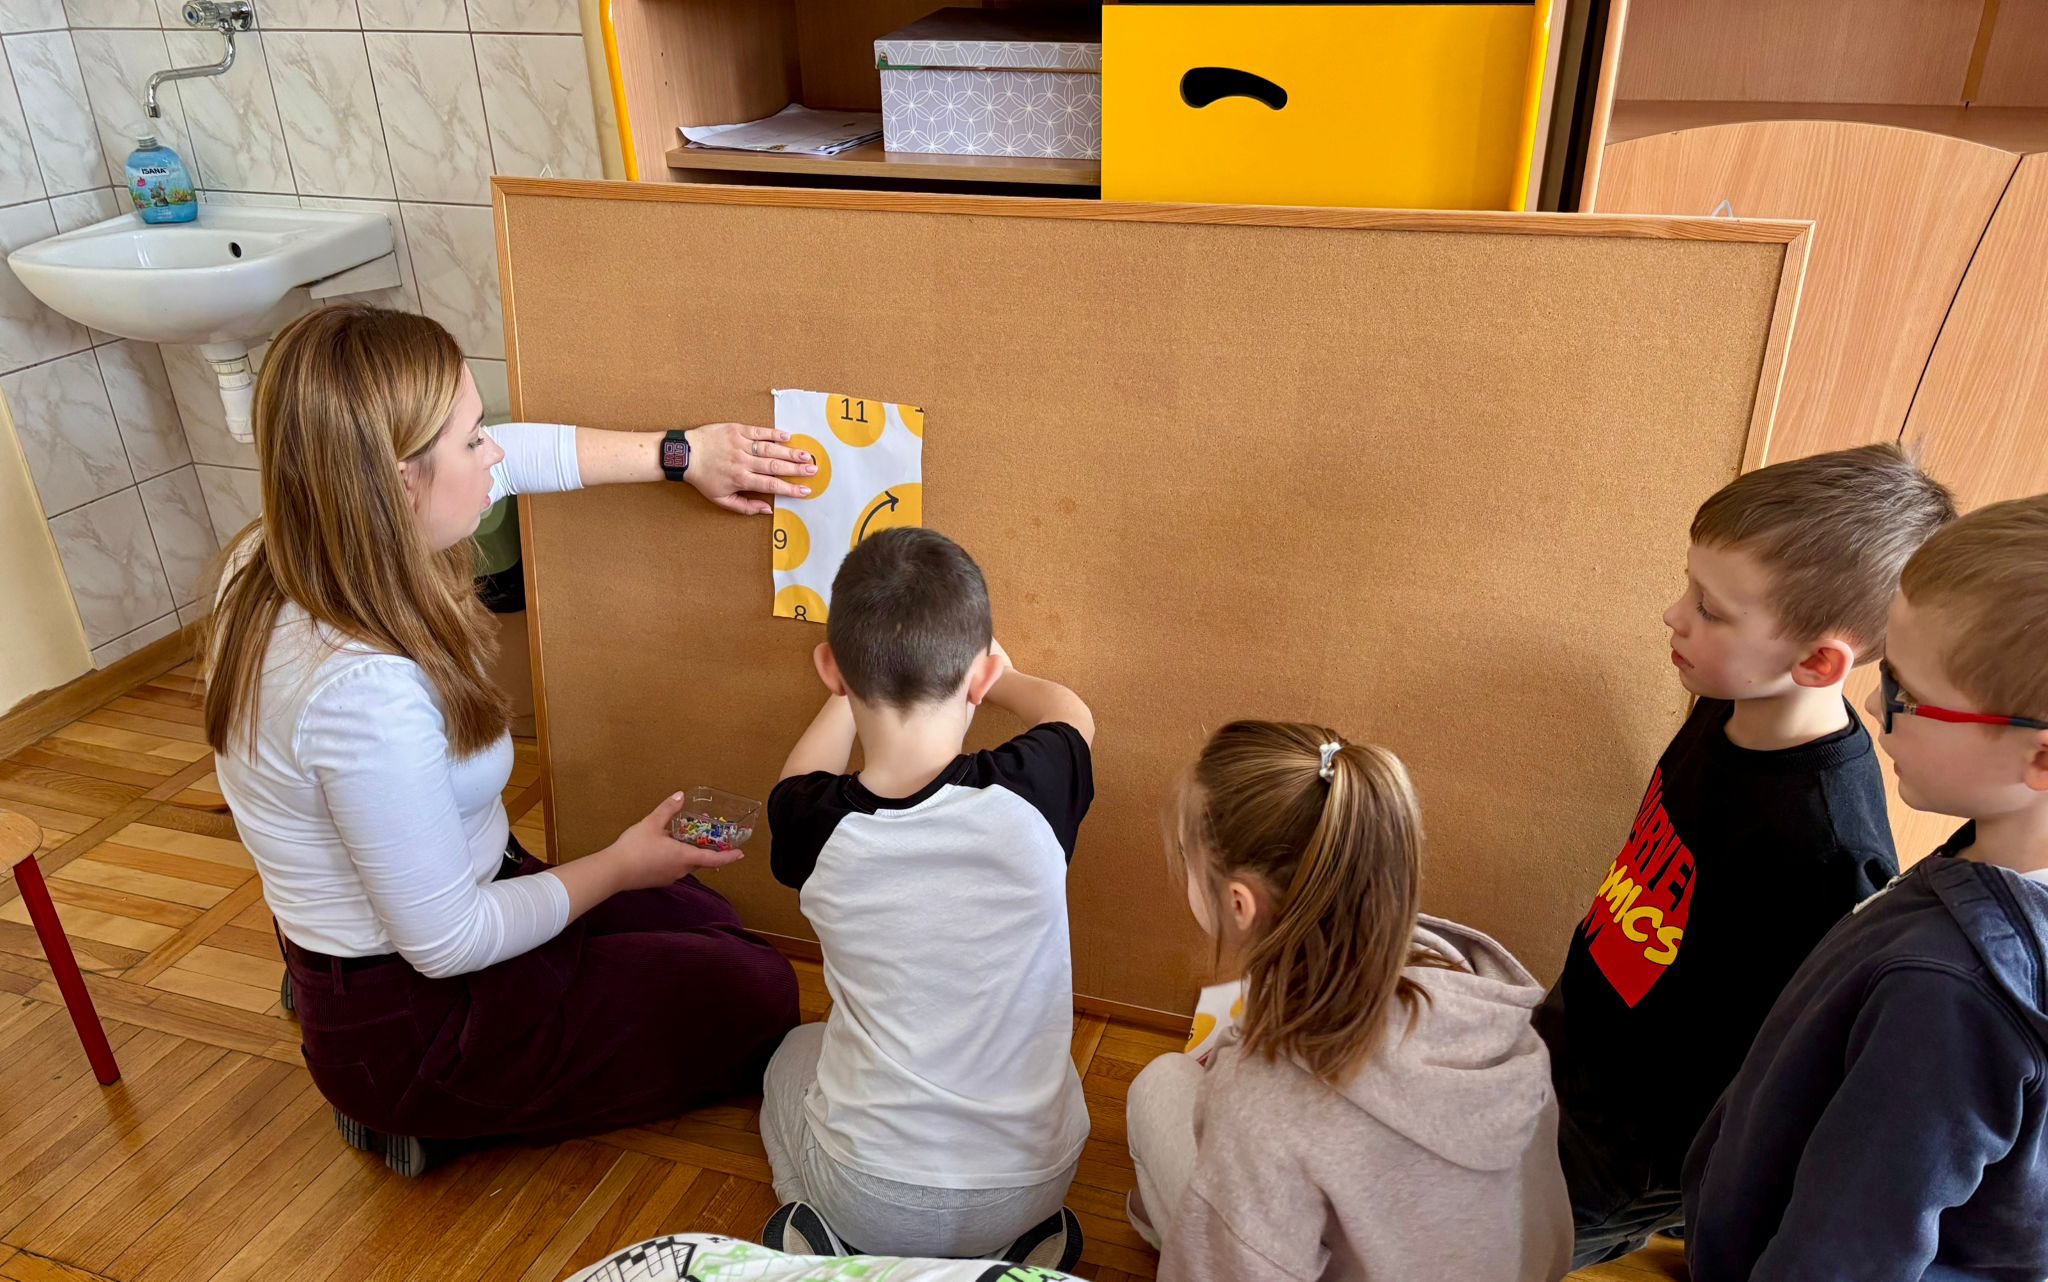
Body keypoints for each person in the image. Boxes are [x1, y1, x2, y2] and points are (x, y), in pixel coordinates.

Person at [204, 304, 811, 1174]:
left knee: (708, 923)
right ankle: (411, 1109)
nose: (493, 453)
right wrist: (620, 864)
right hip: (414, 1012)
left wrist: (684, 454)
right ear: (397, 480)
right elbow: (447, 943)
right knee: (758, 993)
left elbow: (518, 457)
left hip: (459, 900)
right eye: (472, 438)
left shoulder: (279, 549)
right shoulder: (361, 692)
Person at [1532, 443, 1956, 1263]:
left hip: (1629, 1148)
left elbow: (1787, 1062)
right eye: (1689, 587)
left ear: (1817, 661)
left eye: (1712, 609)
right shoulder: (1722, 699)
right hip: (1575, 1041)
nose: (1674, 615)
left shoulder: (1828, 849)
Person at [1683, 495, 2048, 1280]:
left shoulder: (1948, 994)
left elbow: (1842, 1258)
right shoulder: (1987, 864)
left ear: (2042, 759)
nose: (1877, 704)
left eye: (1909, 693)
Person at [1125, 720, 1573, 1282]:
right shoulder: (1467, 977)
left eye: (1187, 860)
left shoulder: (1261, 1102)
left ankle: (1161, 1220)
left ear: (1239, 904)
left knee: (1159, 1084)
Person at [755, 528, 1093, 1270]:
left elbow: (795, 782)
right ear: (982, 675)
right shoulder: (1034, 793)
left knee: (792, 1056)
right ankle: (1017, 1246)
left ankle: (824, 1236)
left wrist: (848, 683)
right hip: (1034, 1183)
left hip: (870, 1195)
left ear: (829, 668)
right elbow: (1071, 713)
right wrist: (996, 672)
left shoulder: (814, 825)